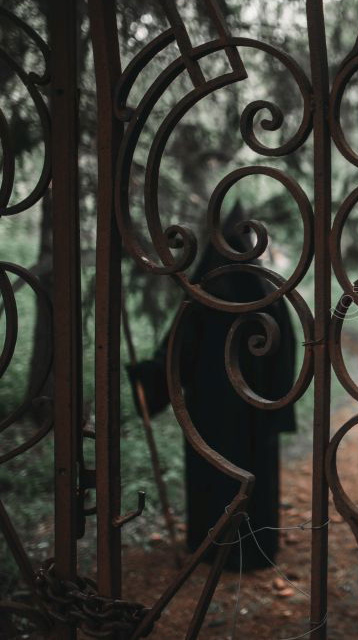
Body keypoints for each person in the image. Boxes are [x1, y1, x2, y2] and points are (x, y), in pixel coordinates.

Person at [125, 203, 297, 571]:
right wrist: (280, 404)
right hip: (257, 411)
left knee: (215, 474)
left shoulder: (203, 292)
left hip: (211, 411)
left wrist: (149, 377)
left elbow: (177, 352)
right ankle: (254, 550)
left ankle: (213, 546)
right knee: (253, 477)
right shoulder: (267, 290)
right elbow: (288, 354)